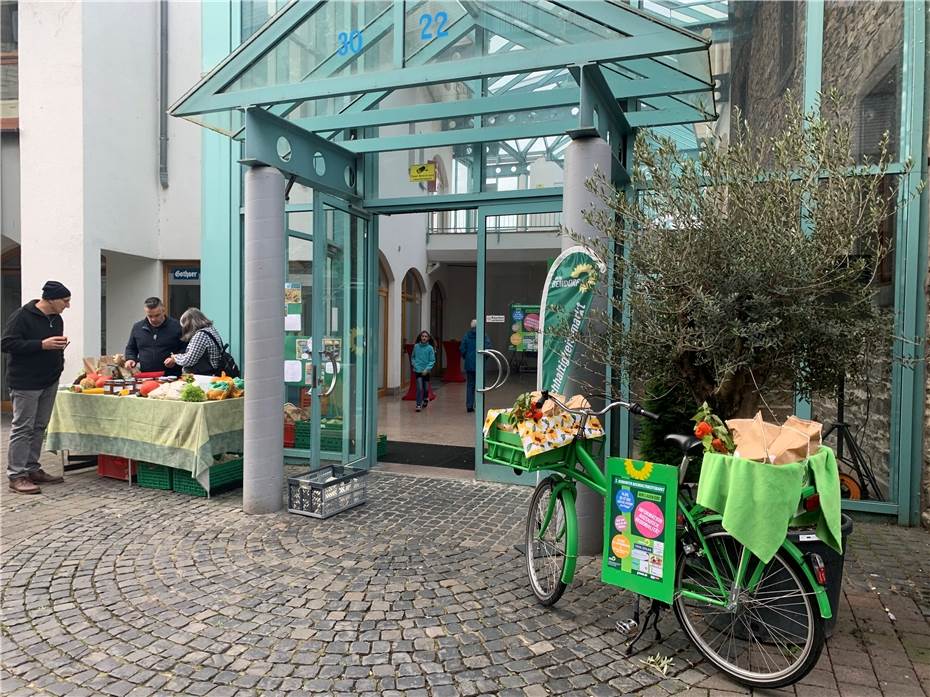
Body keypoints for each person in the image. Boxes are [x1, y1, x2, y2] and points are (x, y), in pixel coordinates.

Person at [1, 281, 71, 494]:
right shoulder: (22, 316)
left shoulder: (56, 319)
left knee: (39, 426)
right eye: (65, 301)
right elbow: (6, 343)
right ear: (50, 299)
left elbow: (53, 345)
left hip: (49, 380)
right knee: (23, 427)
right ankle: (17, 475)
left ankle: (32, 468)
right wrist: (42, 345)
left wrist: (59, 355)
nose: (67, 306)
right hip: (25, 382)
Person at [123, 297, 185, 376]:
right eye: (150, 316)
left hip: (171, 376)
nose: (153, 319)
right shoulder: (138, 327)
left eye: (157, 315)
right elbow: (131, 348)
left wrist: (175, 359)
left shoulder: (177, 326)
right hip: (145, 376)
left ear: (163, 310)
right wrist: (130, 359)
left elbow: (185, 348)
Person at [164, 308, 227, 375]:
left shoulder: (201, 335)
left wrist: (174, 358)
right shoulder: (211, 329)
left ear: (189, 325)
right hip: (211, 374)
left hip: (204, 377)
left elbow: (189, 360)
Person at [460, 319, 491, 413]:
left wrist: (467, 357)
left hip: (469, 364)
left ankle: (469, 405)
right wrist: (484, 359)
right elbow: (488, 348)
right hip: (480, 364)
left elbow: (462, 349)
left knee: (470, 385)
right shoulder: (483, 335)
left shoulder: (466, 335)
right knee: (480, 386)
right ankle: (479, 405)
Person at [411, 330, 435, 412]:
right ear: (420, 337)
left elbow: (432, 360)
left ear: (428, 338)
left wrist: (427, 369)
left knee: (426, 388)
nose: (424, 338)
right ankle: (418, 404)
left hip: (426, 371)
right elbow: (413, 357)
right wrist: (415, 365)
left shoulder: (430, 348)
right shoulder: (416, 346)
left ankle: (425, 398)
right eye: (422, 336)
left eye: (425, 336)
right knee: (419, 388)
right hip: (418, 371)